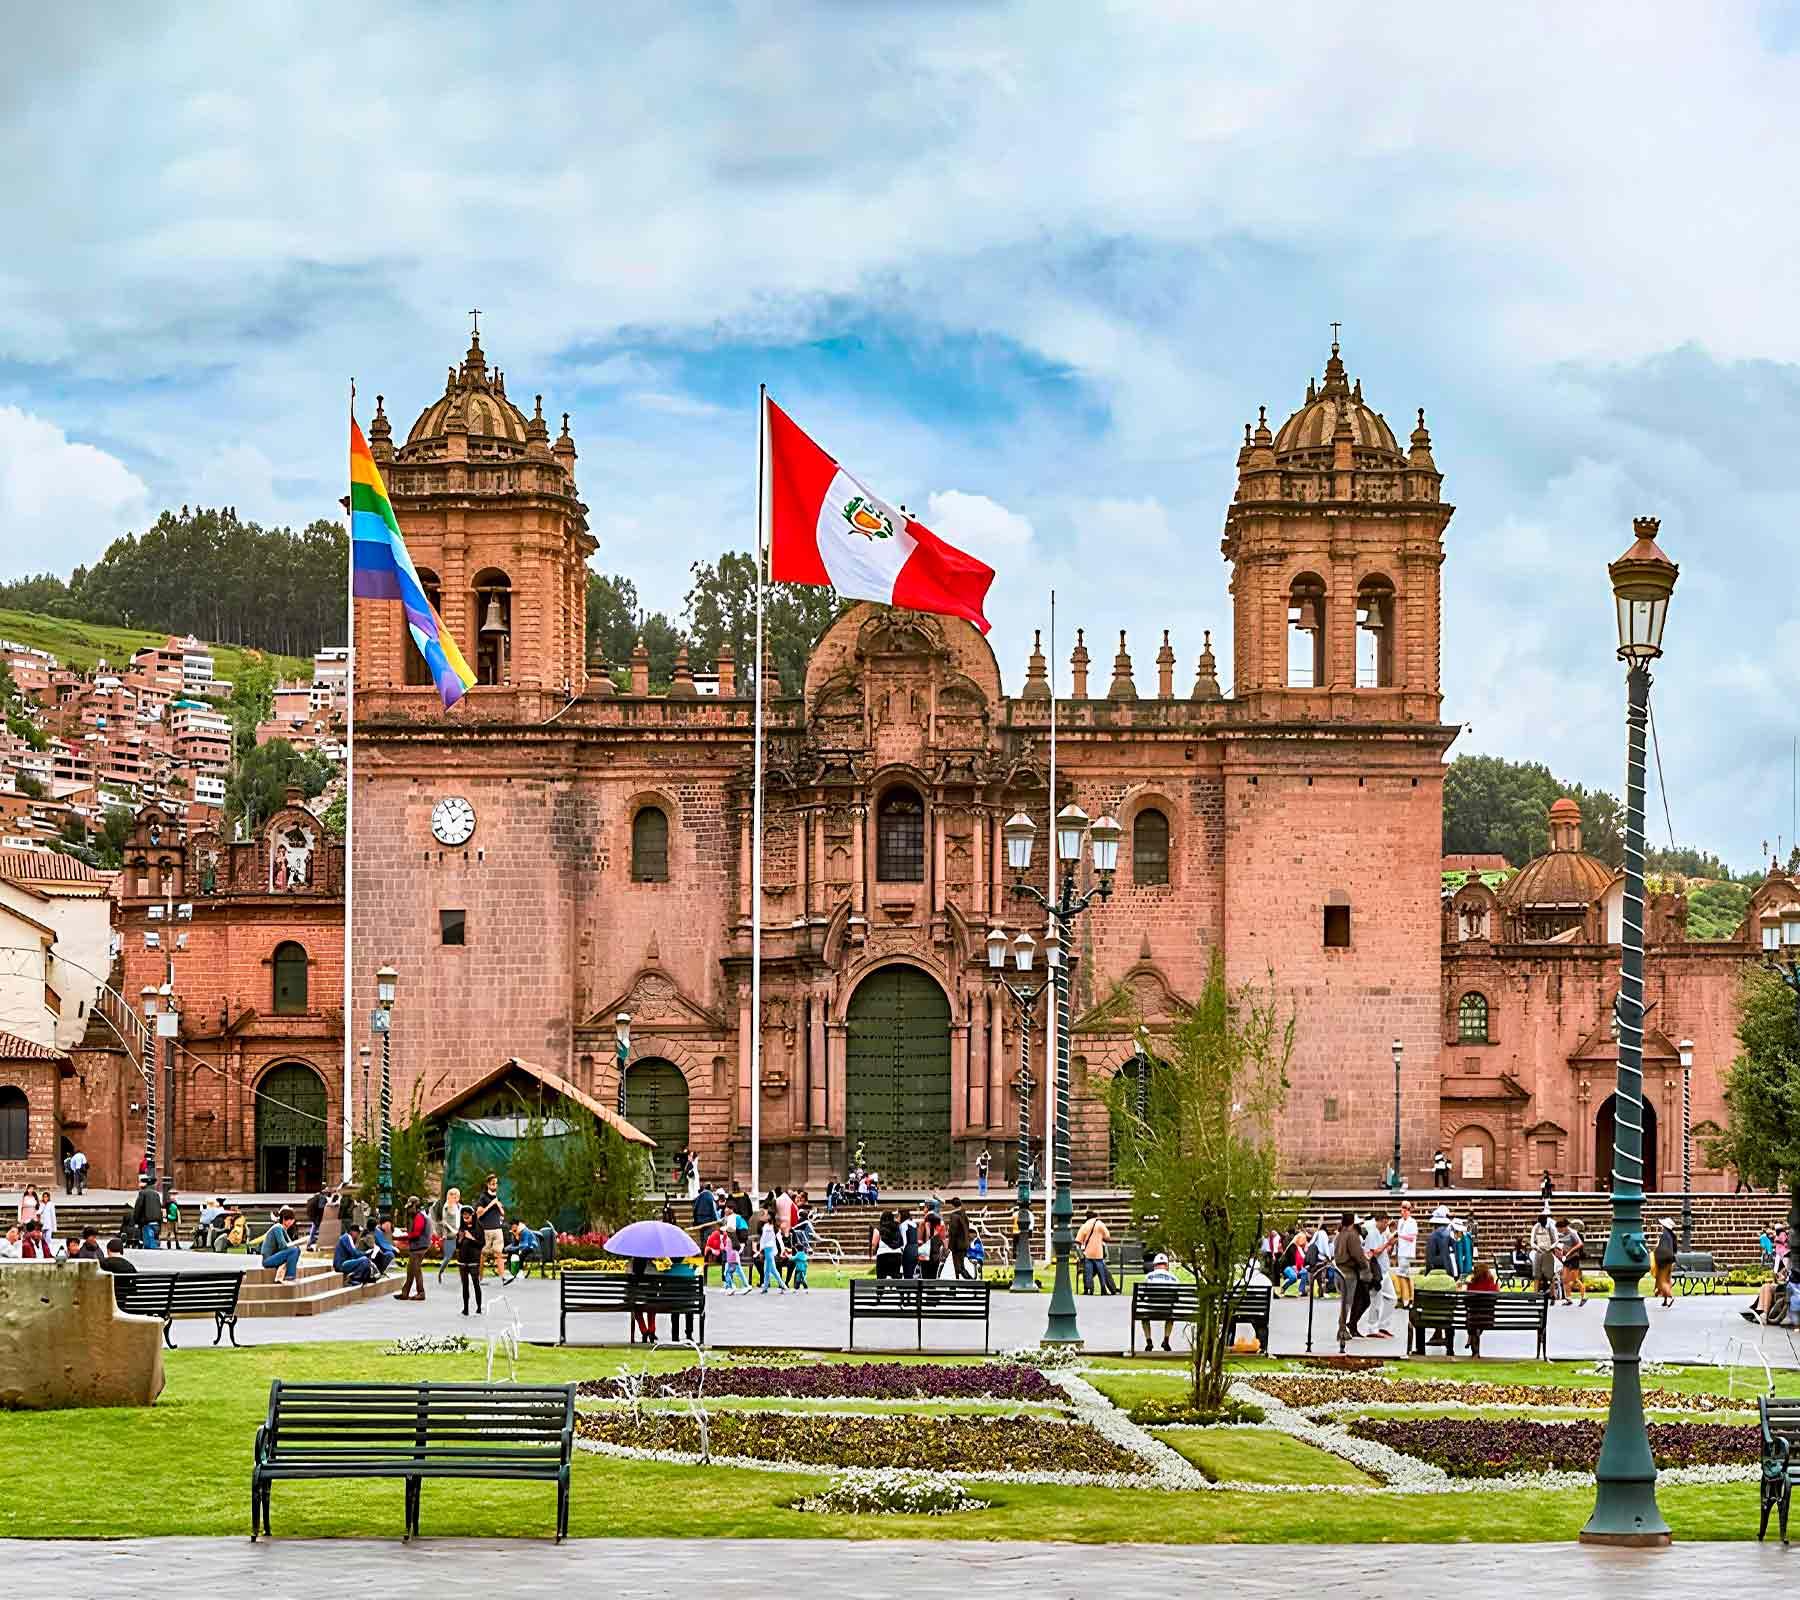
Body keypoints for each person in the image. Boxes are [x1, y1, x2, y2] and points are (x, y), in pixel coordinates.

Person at [1333, 1210, 1369, 1350]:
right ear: (1352, 1221)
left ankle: (1342, 1328)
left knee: (1344, 1302)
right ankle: (1342, 1328)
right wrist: (1364, 1265)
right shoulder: (1351, 1236)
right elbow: (1357, 1254)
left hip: (1339, 1269)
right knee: (1346, 1303)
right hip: (1348, 1271)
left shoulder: (1339, 1235)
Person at [1360, 1211, 1396, 1338]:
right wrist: (1388, 1244)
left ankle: (1383, 1325)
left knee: (1392, 1299)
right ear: (1379, 1221)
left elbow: (1384, 1251)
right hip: (1376, 1272)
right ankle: (1372, 1328)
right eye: (1385, 1222)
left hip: (1385, 1271)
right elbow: (1373, 1253)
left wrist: (1390, 1245)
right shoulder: (1372, 1234)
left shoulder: (1382, 1234)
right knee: (1376, 1301)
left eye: (1387, 1222)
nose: (1386, 1225)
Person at [1138, 1252, 1181, 1352]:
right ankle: (1166, 1340)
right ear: (1166, 1265)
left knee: (1144, 1319)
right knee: (1171, 1317)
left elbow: (1142, 1296)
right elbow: (1176, 1298)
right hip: (1167, 1311)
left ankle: (1149, 1341)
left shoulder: (1148, 1277)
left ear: (1155, 1265)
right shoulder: (1174, 1278)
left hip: (1151, 1311)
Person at [396, 1195, 429, 1301]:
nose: (409, 1210)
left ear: (415, 1205)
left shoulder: (420, 1216)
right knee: (411, 1270)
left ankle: (421, 1292)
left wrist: (401, 1237)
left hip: (419, 1247)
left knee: (416, 1270)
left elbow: (416, 1233)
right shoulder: (419, 1216)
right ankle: (405, 1292)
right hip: (417, 1247)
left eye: (410, 1207)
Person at [1077, 1210, 1118, 1295]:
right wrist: (1100, 1237)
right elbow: (1108, 1237)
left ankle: (1089, 1290)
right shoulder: (1100, 1224)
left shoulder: (1084, 1225)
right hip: (1098, 1253)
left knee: (1088, 1272)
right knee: (1102, 1272)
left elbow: (1078, 1240)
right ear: (1095, 1216)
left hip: (1088, 1253)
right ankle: (1103, 1289)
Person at [451, 1206, 483, 1315]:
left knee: (475, 1283)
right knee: (464, 1285)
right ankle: (466, 1308)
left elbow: (481, 1244)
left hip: (474, 1260)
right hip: (462, 1261)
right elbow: (457, 1246)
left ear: (472, 1215)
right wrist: (459, 1239)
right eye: (463, 1215)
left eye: (467, 1215)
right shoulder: (461, 1227)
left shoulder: (478, 1227)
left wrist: (471, 1237)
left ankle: (479, 1307)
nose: (465, 1217)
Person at [1466, 1260, 1500, 1356]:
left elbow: (1466, 1302)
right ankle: (1473, 1341)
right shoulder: (1492, 1285)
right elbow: (1495, 1301)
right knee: (1477, 1321)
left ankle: (1472, 1340)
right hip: (1488, 1319)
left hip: (1473, 1319)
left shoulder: (1471, 1285)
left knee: (1471, 1318)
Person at [475, 1175, 506, 1281]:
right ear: (488, 1184)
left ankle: (503, 1278)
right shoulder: (483, 1197)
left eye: (496, 1183)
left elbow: (502, 1213)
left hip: (498, 1229)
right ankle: (480, 1277)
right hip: (487, 1230)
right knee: (484, 1254)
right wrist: (490, 1205)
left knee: (499, 1252)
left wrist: (498, 1205)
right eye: (493, 1183)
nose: (495, 1185)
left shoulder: (498, 1197)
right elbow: (479, 1213)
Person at [260, 1206, 302, 1283]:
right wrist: (294, 1246)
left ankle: (288, 1276)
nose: (290, 1222)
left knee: (296, 1250)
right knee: (294, 1251)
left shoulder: (283, 1229)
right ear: (283, 1219)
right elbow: (283, 1246)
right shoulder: (278, 1228)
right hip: (268, 1260)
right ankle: (290, 1277)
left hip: (275, 1257)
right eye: (288, 1219)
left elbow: (290, 1244)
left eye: (291, 1219)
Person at [1392, 1200, 1418, 1309]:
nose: (1402, 1212)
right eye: (1401, 1209)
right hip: (1401, 1252)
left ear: (1408, 1210)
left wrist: (1400, 1235)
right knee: (1402, 1275)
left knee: (1405, 1276)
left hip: (1408, 1252)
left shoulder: (1412, 1222)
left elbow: (1411, 1238)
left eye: (1404, 1209)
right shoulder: (1400, 1221)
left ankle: (1409, 1299)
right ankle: (1404, 1299)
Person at [628, 1254, 659, 1344]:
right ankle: (651, 1329)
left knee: (636, 1307)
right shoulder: (651, 1267)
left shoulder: (631, 1267)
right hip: (649, 1299)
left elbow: (628, 1290)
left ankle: (644, 1330)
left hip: (635, 1300)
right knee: (652, 1303)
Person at [1557, 1217, 1587, 1306]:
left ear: (1564, 1227)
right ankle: (1568, 1299)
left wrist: (1570, 1251)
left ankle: (1584, 1297)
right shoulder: (1560, 1234)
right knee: (1565, 1279)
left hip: (1574, 1257)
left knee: (1575, 1279)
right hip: (1566, 1258)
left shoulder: (1572, 1233)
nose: (1559, 1230)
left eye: (1560, 1229)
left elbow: (1580, 1244)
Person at [435, 1185, 462, 1283]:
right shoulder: (447, 1207)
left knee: (463, 1255)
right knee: (448, 1256)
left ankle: (463, 1274)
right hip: (450, 1235)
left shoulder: (459, 1206)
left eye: (456, 1195)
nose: (454, 1197)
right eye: (452, 1195)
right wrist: (453, 1231)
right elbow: (444, 1222)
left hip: (460, 1234)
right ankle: (440, 1272)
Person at [1530, 1212, 1559, 1300]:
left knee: (1550, 1275)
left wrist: (1551, 1247)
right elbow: (1532, 1241)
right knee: (1536, 1275)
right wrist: (1537, 1247)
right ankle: (1535, 1294)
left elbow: (1556, 1240)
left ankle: (1552, 1294)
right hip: (1538, 1252)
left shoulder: (1551, 1227)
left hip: (1548, 1252)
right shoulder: (1536, 1227)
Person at [1653, 1215, 1679, 1306]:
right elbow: (1675, 1249)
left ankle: (1670, 1297)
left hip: (1663, 1261)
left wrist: (1656, 1254)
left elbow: (1662, 1249)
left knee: (1662, 1280)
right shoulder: (1672, 1236)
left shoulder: (1665, 1235)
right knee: (1666, 1279)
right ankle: (1664, 1300)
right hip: (1669, 1261)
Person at [758, 1209, 786, 1294]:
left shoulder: (775, 1227)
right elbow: (763, 1238)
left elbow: (779, 1239)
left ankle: (782, 1285)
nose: (765, 1216)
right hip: (766, 1249)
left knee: (771, 1269)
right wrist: (761, 1249)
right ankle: (768, 1287)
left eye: (767, 1215)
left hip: (771, 1249)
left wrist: (783, 1249)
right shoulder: (765, 1226)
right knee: (767, 1269)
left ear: (770, 1216)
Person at [132, 1177, 164, 1250]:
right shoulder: (156, 1194)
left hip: (146, 1221)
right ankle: (154, 1243)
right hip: (156, 1221)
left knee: (148, 1242)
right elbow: (159, 1207)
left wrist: (136, 1220)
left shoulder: (142, 1193)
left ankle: (148, 1244)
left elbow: (138, 1207)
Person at [872, 1210, 903, 1281]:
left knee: (880, 1278)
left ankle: (880, 1291)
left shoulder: (878, 1229)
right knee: (896, 1277)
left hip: (882, 1255)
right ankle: (899, 1289)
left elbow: (874, 1243)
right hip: (897, 1255)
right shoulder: (898, 1227)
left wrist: (874, 1251)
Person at [1425, 1207, 1455, 1277]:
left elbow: (1429, 1256)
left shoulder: (1432, 1236)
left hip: (1435, 1270)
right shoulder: (1450, 1235)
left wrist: (1427, 1272)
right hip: (1448, 1269)